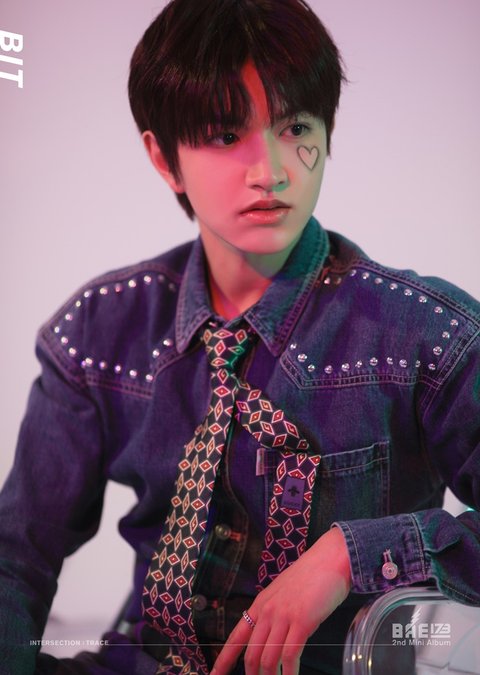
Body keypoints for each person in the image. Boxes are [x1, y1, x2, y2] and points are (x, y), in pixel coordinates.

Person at [0, 0, 479, 673]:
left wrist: (351, 554)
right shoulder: (100, 330)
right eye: (226, 135)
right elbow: (16, 557)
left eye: (295, 127)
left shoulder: (423, 334)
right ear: (164, 159)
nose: (271, 171)